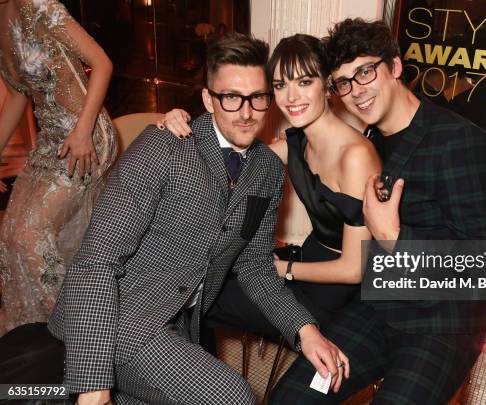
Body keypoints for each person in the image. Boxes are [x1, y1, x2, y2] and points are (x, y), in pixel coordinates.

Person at [48, 33, 349, 405]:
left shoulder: (269, 170)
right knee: (232, 395)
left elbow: (254, 266)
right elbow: (97, 261)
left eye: (257, 97)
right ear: (208, 98)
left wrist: (306, 331)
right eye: (231, 97)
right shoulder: (165, 145)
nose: (246, 111)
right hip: (116, 321)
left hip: (181, 326)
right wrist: (93, 388)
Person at [271, 19, 486, 404]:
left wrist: (394, 238)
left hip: (442, 325)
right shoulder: (372, 140)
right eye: (344, 81)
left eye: (365, 72)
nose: (356, 91)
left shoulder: (458, 141)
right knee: (292, 398)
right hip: (378, 308)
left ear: (394, 67)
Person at [159, 34, 381, 335]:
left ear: (327, 84)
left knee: (206, 297)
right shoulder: (297, 143)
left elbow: (355, 269)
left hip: (338, 292)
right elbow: (232, 153)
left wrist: (282, 270)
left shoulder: (355, 156)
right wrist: (178, 123)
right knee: (204, 284)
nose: (291, 97)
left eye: (303, 82)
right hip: (306, 262)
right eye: (280, 85)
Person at [0, 0, 117, 335]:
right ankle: (29, 333)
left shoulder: (38, 5)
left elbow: (102, 63)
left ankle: (74, 331)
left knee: (28, 236)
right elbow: (20, 94)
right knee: (9, 233)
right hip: (50, 142)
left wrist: (82, 132)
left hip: (87, 136)